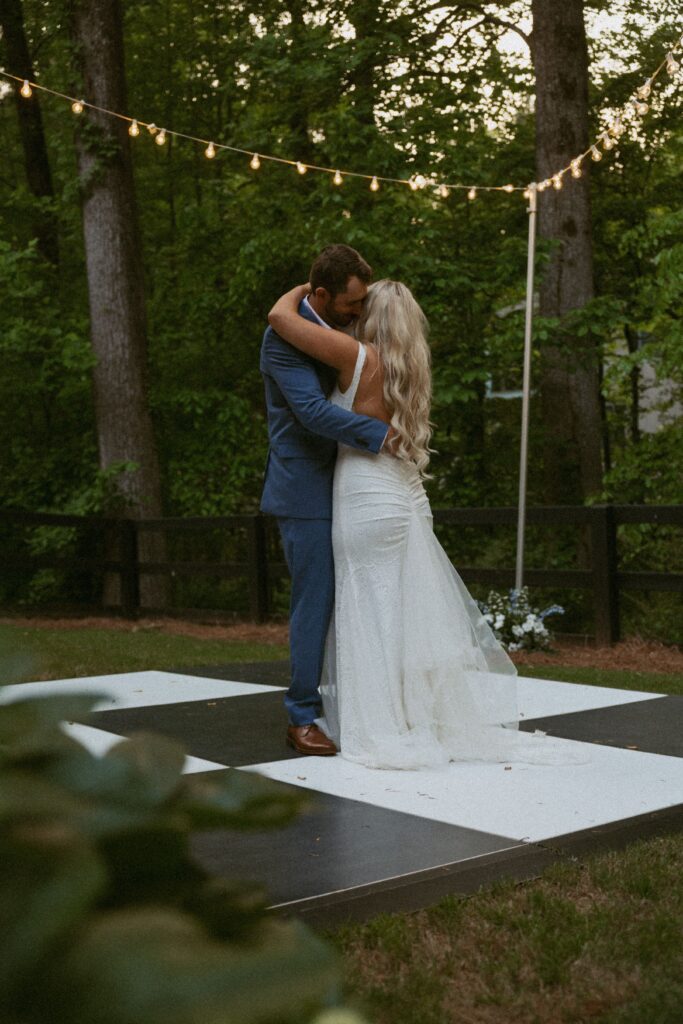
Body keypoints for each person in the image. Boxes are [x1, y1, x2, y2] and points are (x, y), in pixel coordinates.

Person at [268, 278, 591, 770]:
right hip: (406, 494)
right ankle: (413, 715)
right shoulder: (411, 366)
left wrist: (304, 289)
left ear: (370, 317)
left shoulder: (356, 356)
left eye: (360, 307)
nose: (352, 314)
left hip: (367, 494)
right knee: (404, 612)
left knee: (367, 610)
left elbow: (281, 321)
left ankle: (374, 719)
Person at [260, 244, 392, 756]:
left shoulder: (327, 322)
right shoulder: (280, 339)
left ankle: (355, 699)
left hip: (349, 483)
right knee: (313, 602)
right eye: (350, 304)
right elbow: (313, 413)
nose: (358, 315)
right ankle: (301, 717)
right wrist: (385, 437)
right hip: (304, 489)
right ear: (319, 295)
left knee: (357, 595)